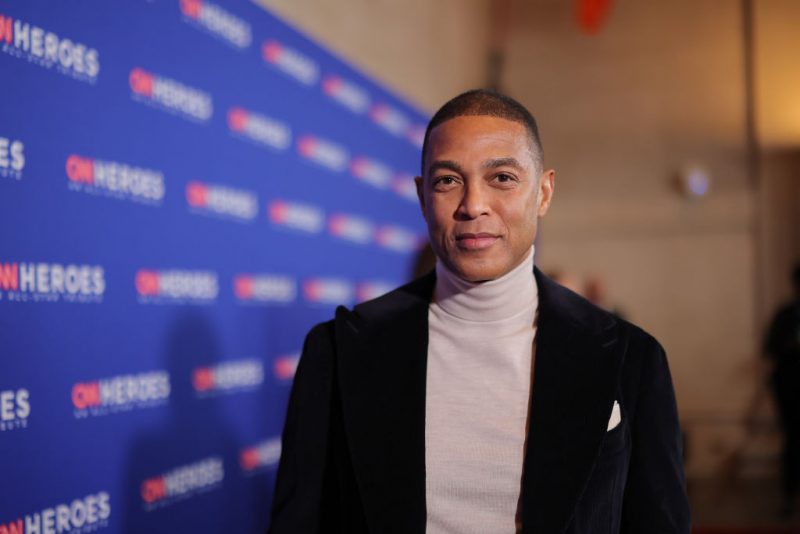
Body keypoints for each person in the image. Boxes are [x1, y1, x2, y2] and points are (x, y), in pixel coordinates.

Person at [269, 89, 690, 533]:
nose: (473, 205)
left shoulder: (631, 357)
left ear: (544, 192)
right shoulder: (339, 350)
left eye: (502, 178)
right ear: (422, 197)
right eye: (447, 181)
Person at [765, 264, 800, 518]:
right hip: (791, 388)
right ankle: (789, 496)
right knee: (793, 441)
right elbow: (770, 347)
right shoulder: (786, 315)